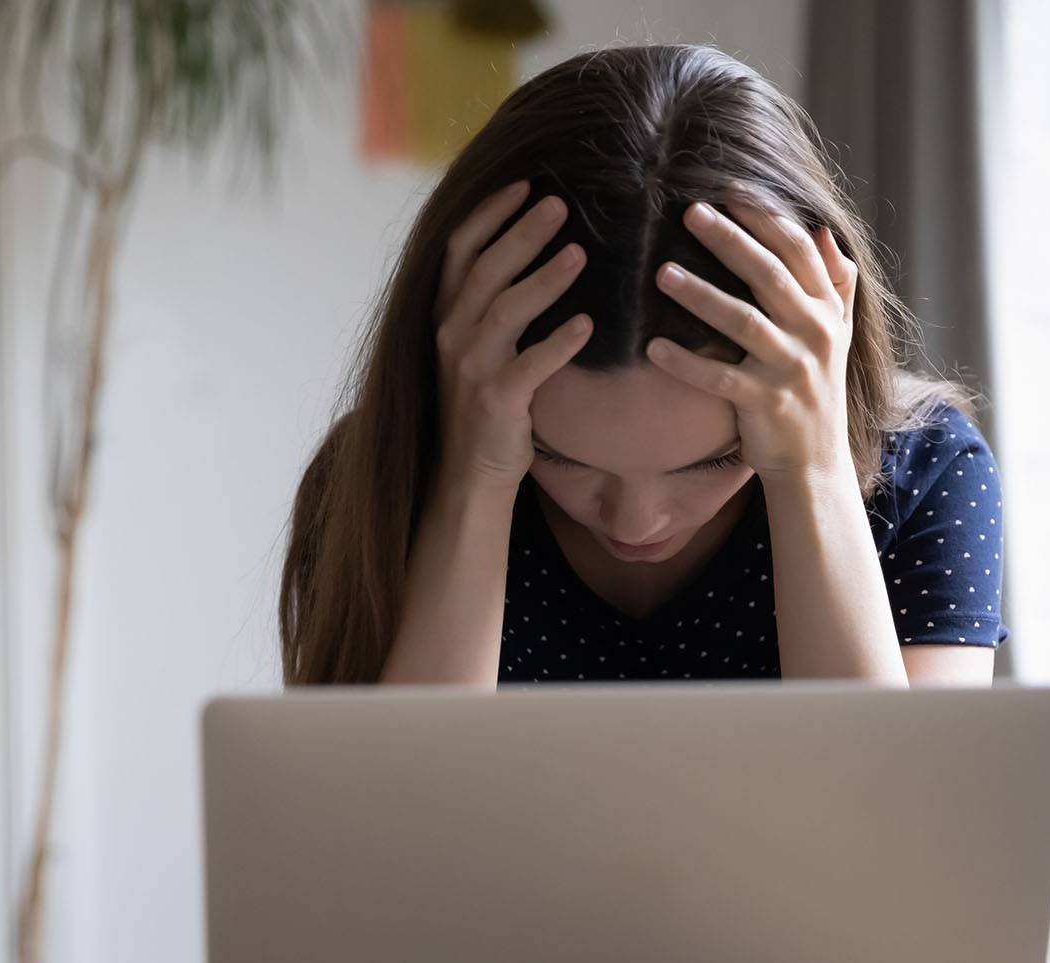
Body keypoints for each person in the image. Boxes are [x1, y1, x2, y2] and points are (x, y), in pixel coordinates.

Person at [281, 43, 1004, 688]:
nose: (635, 522)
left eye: (712, 461)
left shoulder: (926, 473)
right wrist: (476, 483)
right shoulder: (375, 484)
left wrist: (810, 477)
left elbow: (886, 824)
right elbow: (397, 824)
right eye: (559, 455)